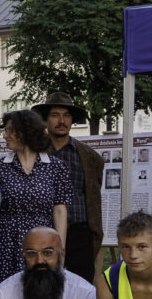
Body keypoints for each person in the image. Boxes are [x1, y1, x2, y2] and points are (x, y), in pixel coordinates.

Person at [0, 109, 72, 294]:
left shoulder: (56, 167)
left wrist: (59, 249)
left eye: (10, 130)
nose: (5, 135)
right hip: (5, 243)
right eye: (5, 130)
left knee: (41, 292)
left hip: (42, 243)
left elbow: (60, 210)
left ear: (26, 131)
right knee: (6, 294)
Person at [31, 93, 104, 283]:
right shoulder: (33, 153)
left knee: (81, 287)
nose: (62, 121)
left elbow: (93, 193)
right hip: (42, 231)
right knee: (43, 286)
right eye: (55, 115)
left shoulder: (88, 156)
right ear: (45, 120)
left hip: (80, 234)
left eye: (67, 115)